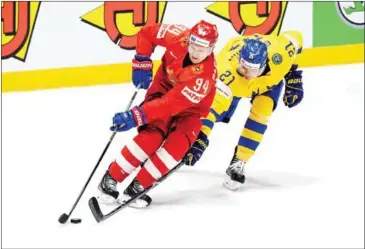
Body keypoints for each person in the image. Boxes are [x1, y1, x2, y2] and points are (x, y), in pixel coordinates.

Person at [97, 20, 219, 207]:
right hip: (161, 91)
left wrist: (135, 115)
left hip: (189, 111)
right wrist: (142, 61)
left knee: (176, 145)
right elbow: (147, 33)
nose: (195, 52)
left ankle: (138, 187)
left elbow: (169, 105)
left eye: (202, 49)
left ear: (211, 48)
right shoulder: (178, 36)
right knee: (151, 137)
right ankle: (110, 178)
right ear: (189, 39)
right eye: (193, 45)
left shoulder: (203, 78)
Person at [185, 31, 304, 191]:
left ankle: (240, 161)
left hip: (266, 85)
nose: (246, 73)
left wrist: (293, 76)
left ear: (264, 64)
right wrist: (200, 137)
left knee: (262, 112)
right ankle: (177, 133)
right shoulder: (226, 73)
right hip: (233, 87)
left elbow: (296, 37)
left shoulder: (280, 52)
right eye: (244, 66)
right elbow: (210, 110)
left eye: (252, 69)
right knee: (213, 111)